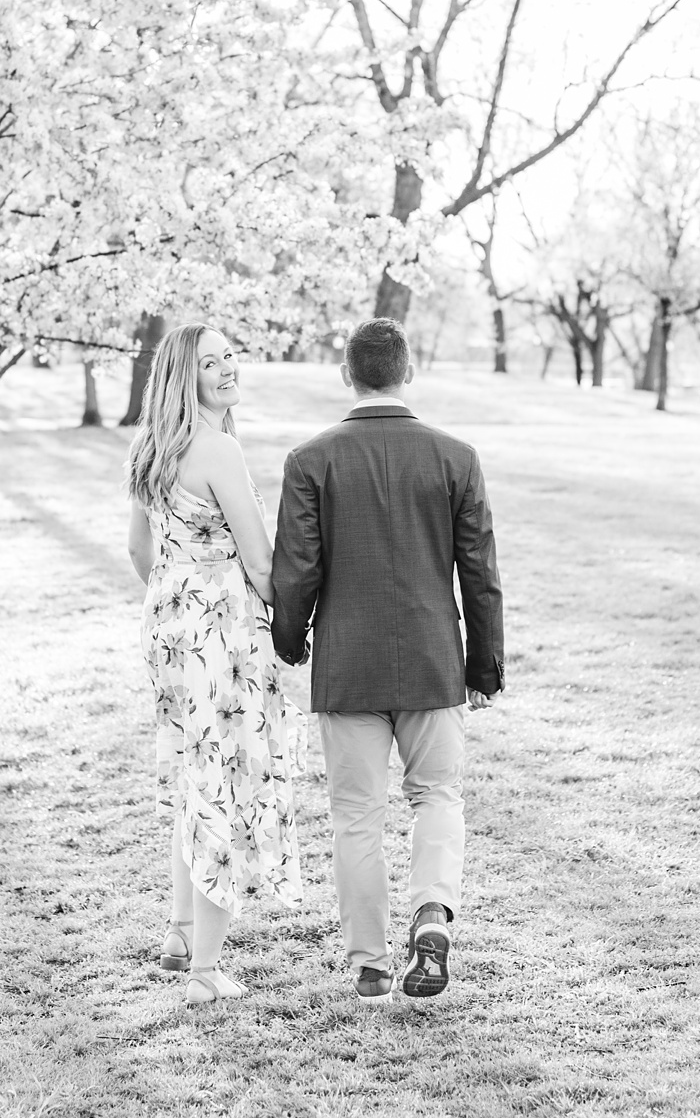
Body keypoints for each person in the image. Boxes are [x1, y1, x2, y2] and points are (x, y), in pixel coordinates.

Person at [270, 317, 504, 1005]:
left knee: (355, 814)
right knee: (437, 796)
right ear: (409, 372)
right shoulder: (456, 456)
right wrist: (484, 666)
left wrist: (290, 641)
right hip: (434, 661)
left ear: (347, 374)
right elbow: (480, 572)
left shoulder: (310, 460)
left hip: (347, 664)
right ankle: (432, 913)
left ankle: (370, 963)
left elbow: (296, 572)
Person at [125, 323, 304, 1005]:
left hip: (171, 631)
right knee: (223, 785)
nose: (228, 369)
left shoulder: (149, 449)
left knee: (194, 780)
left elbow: (139, 552)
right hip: (223, 637)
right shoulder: (218, 449)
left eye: (231, 356)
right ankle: (204, 969)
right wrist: (291, 629)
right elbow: (261, 562)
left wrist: (178, 596)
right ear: (184, 377)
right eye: (210, 363)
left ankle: (178, 933)